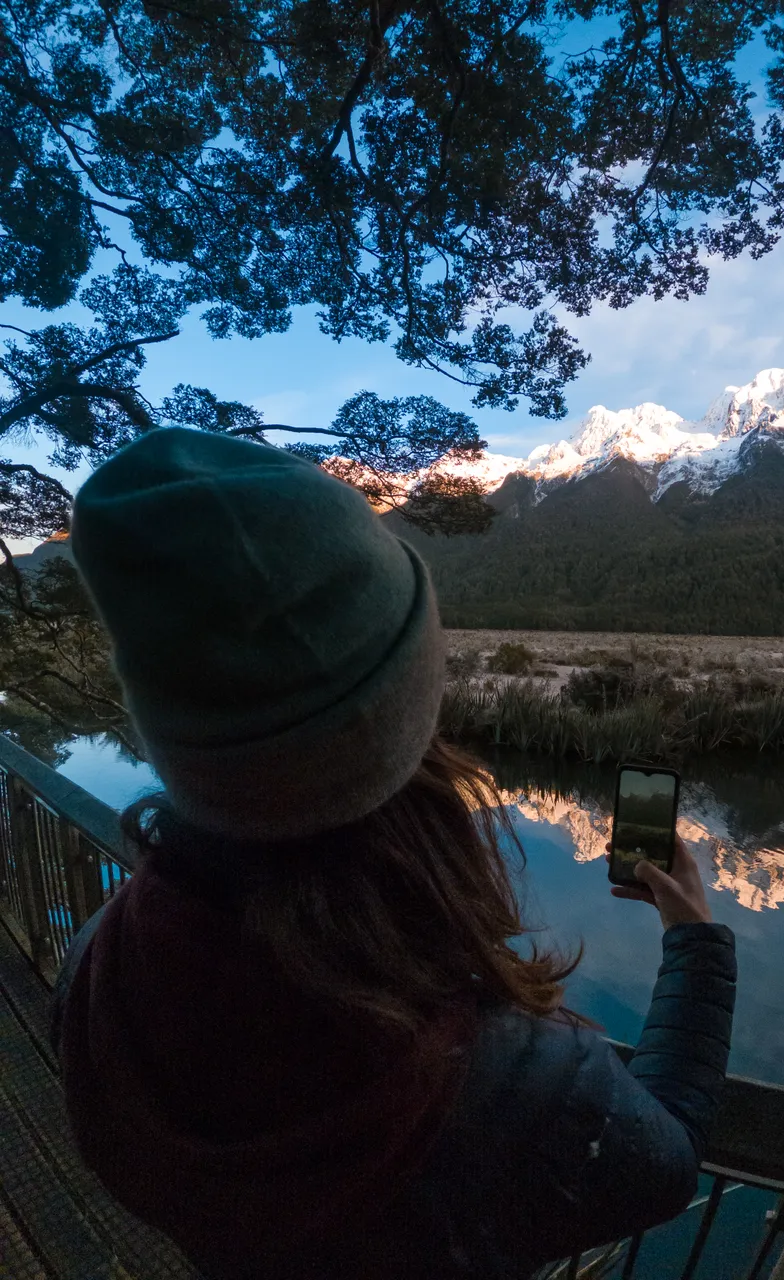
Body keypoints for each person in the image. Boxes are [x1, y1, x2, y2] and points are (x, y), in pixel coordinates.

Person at [49, 427, 737, 1280]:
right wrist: (698, 942)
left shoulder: (102, 974)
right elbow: (663, 1163)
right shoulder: (505, 1085)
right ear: (411, 705)